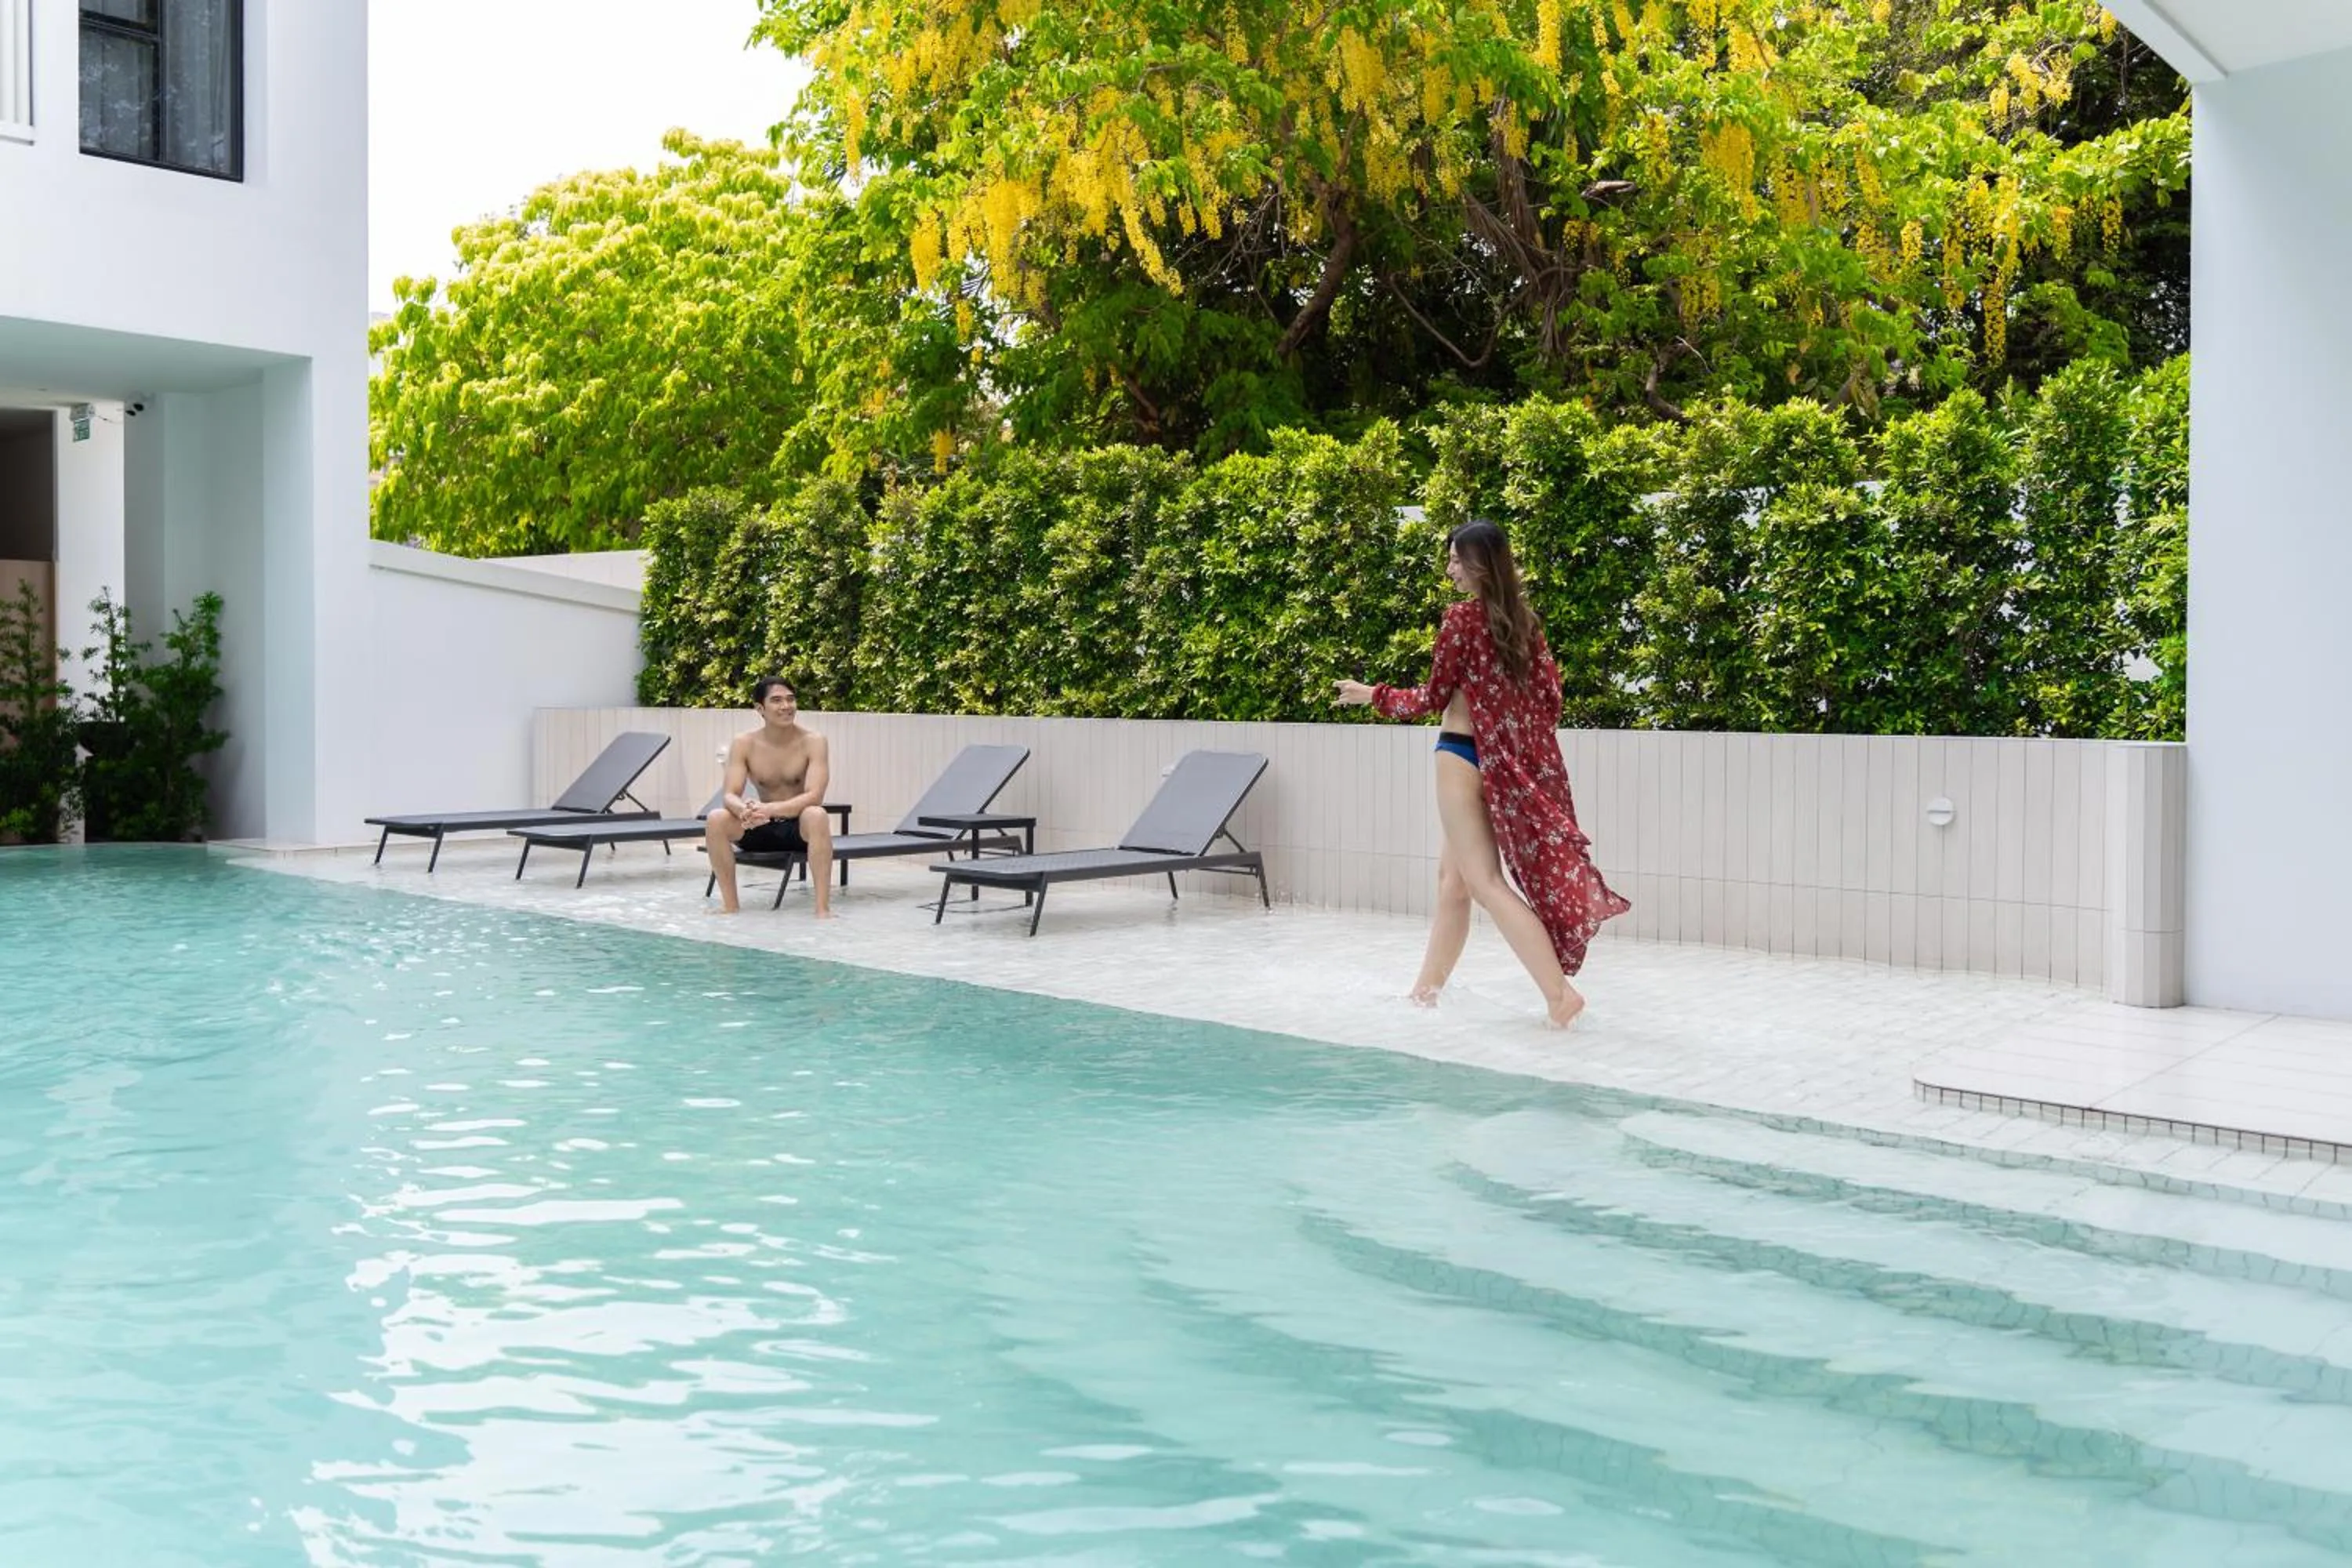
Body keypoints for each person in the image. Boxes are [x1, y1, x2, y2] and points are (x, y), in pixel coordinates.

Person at [1334, 520, 1628, 1026]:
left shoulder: (1460, 621)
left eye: (1454, 559)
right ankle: (1424, 993)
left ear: (1477, 564)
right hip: (1499, 766)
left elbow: (1431, 698)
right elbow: (1548, 703)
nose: (1448, 569)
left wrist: (1372, 695)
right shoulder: (1526, 625)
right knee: (1454, 881)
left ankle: (1559, 995)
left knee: (1486, 882)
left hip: (1459, 755)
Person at [705, 675, 836, 917]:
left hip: (797, 829)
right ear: (760, 709)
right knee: (716, 818)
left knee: (817, 815)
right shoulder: (744, 743)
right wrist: (744, 810)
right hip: (761, 826)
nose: (786, 706)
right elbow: (730, 794)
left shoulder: (813, 741)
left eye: (790, 699)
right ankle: (730, 906)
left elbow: (815, 796)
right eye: (777, 700)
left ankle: (822, 910)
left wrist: (769, 809)